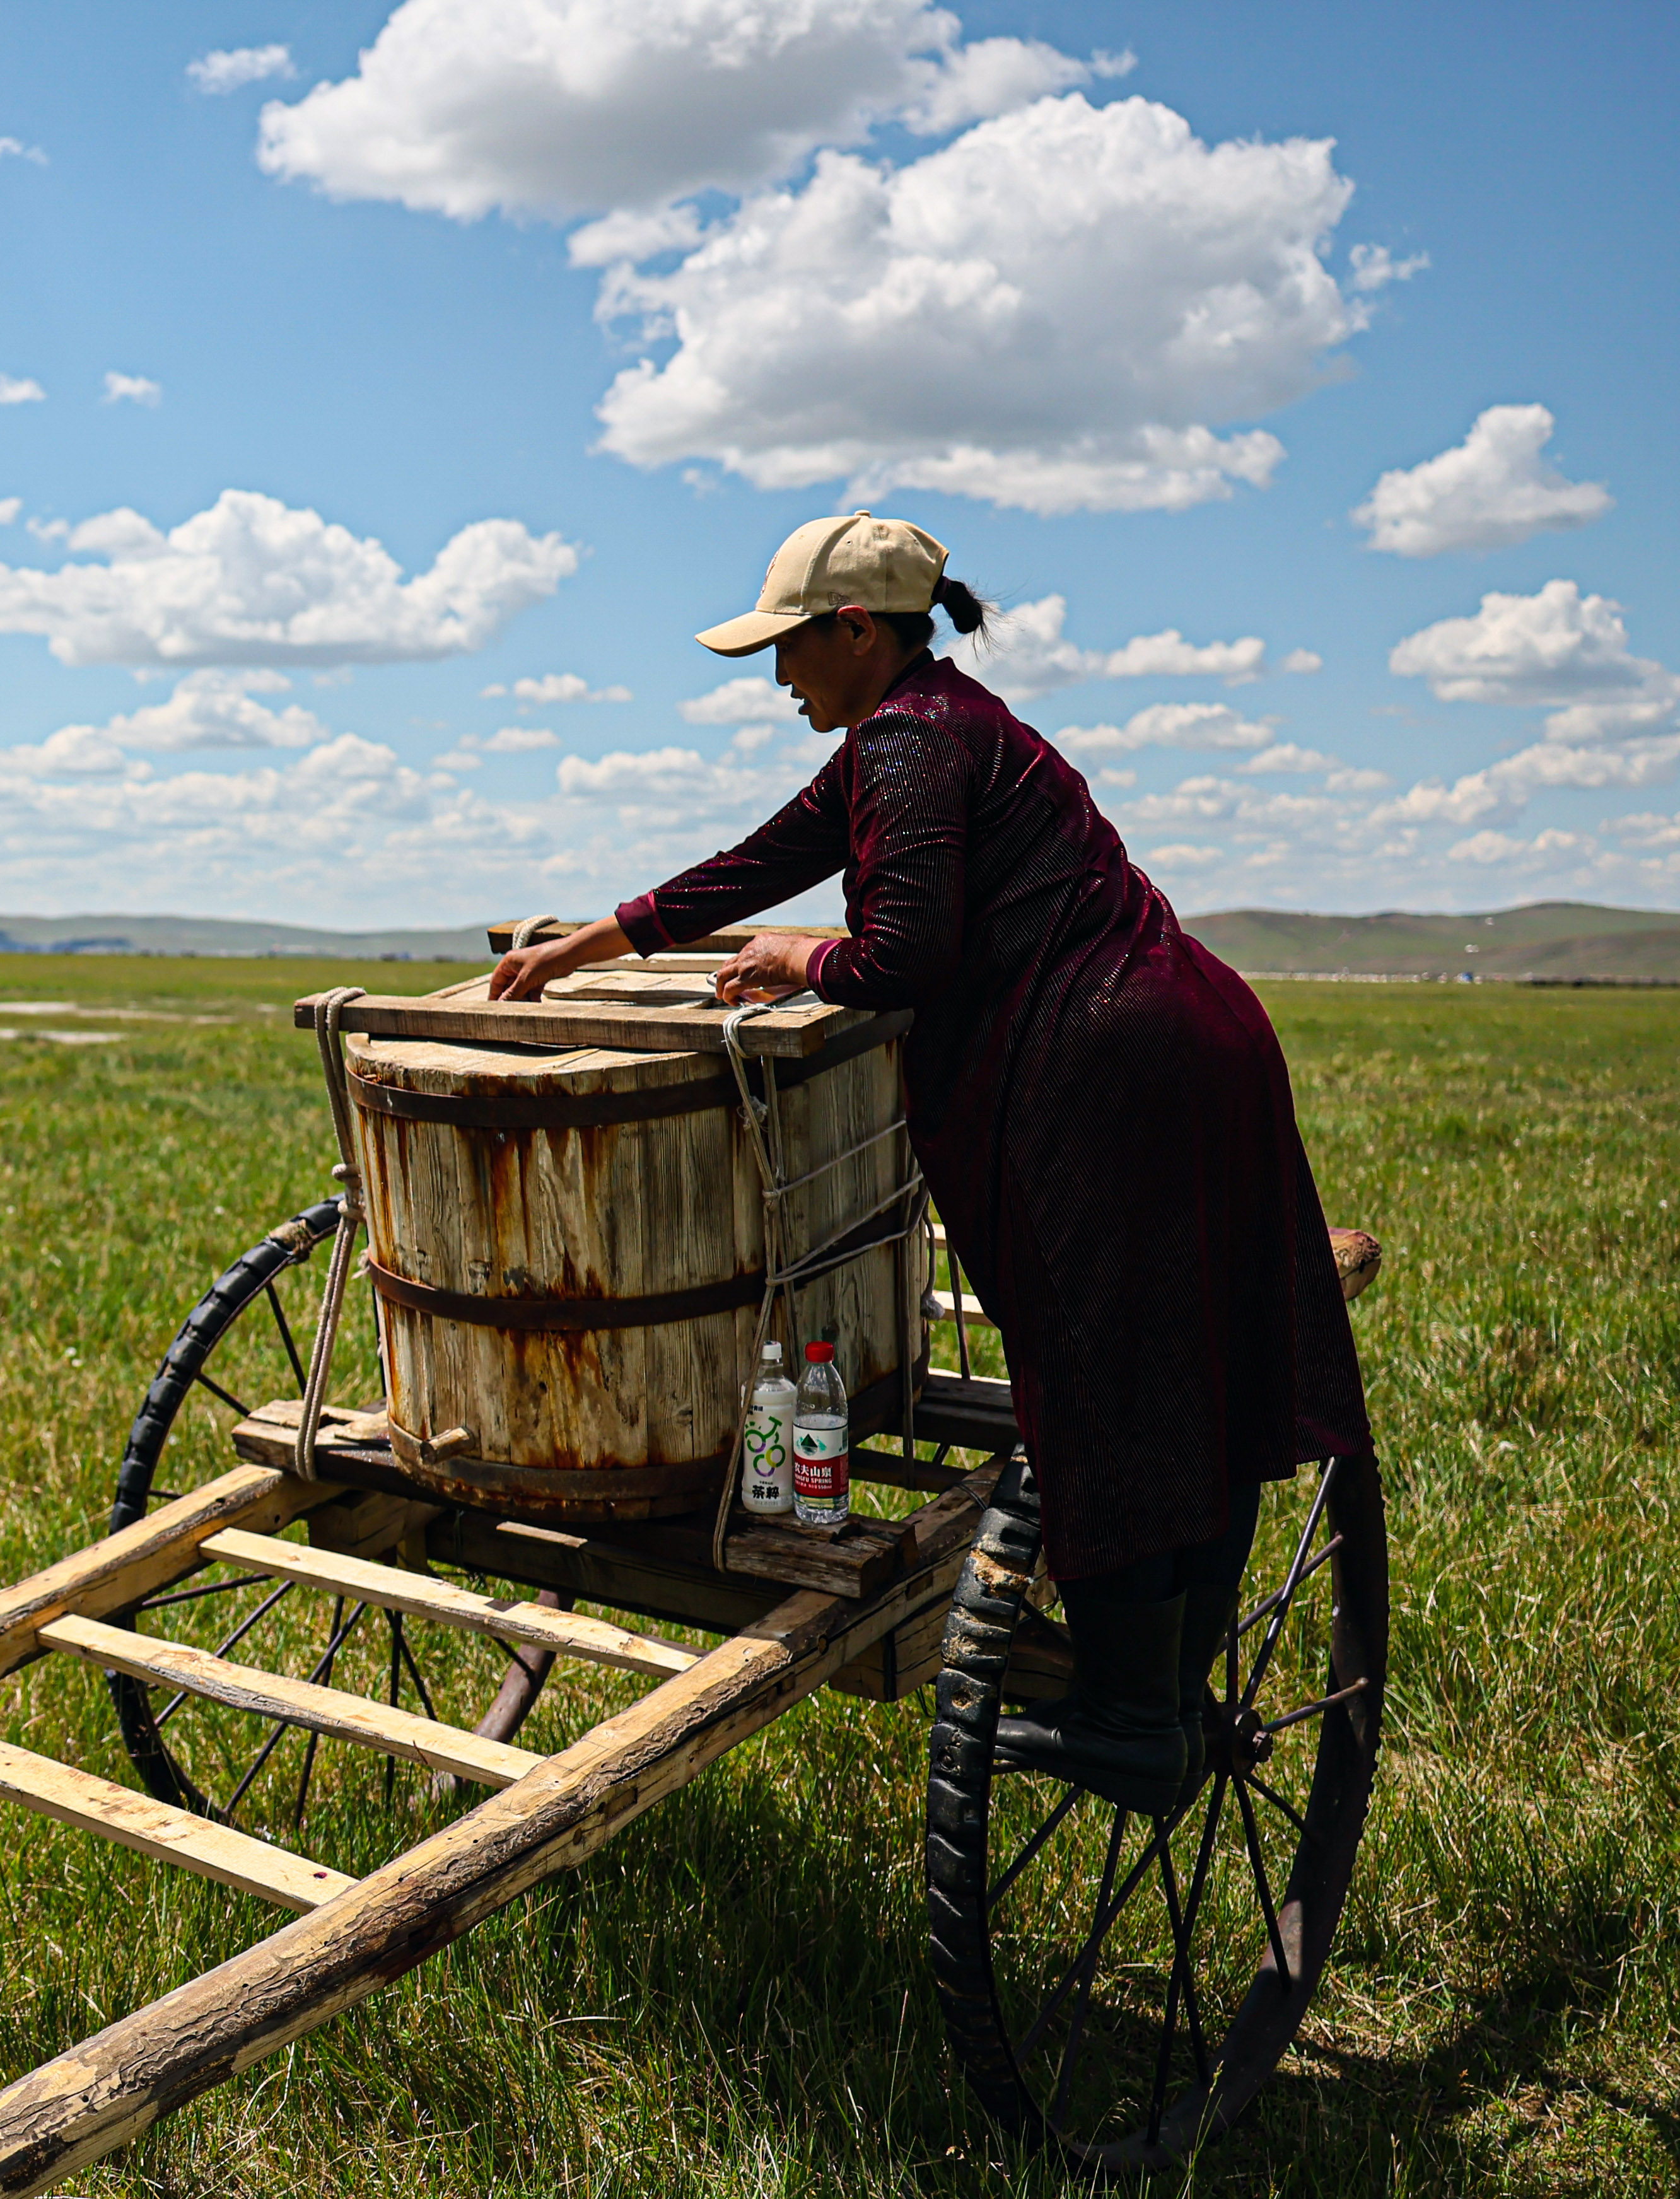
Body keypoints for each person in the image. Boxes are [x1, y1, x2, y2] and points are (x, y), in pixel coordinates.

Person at [486, 511, 1368, 1814]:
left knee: (1102, 1364)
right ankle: (1171, 1693)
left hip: (1109, 1065)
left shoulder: (906, 746)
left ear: (856, 631)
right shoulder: (934, 729)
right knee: (1197, 1364)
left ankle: (1135, 1716)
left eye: (790, 649)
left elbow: (906, 956)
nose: (780, 679)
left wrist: (803, 957)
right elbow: (760, 859)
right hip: (1192, 1037)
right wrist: (587, 945)